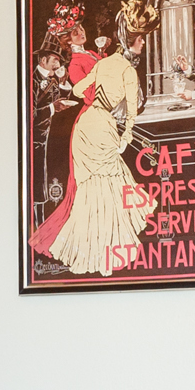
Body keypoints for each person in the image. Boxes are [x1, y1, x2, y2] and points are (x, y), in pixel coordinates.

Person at [28, 34, 157, 277]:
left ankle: (91, 246)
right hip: (102, 126)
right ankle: (105, 245)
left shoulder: (100, 65)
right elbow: (133, 109)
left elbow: (77, 89)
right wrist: (126, 136)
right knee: (109, 185)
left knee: (91, 188)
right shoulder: (127, 72)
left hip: (86, 124)